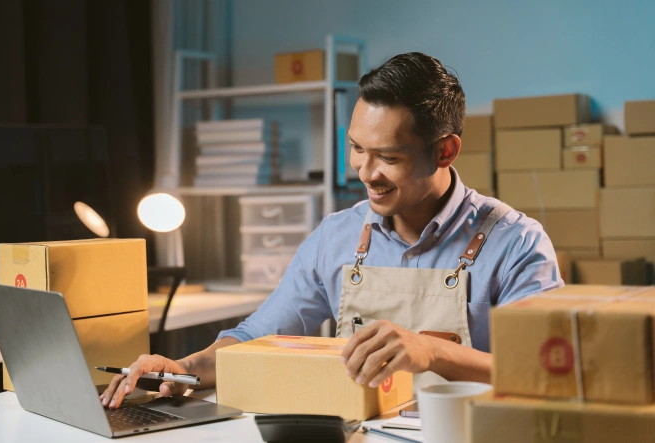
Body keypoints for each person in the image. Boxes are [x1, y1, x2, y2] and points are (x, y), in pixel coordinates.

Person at [101, 52, 562, 409]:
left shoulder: (516, 243)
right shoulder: (336, 236)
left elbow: (548, 373)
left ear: (445, 151)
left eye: (389, 157)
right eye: (356, 148)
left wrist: (430, 352)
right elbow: (257, 335)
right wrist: (181, 368)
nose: (365, 172)